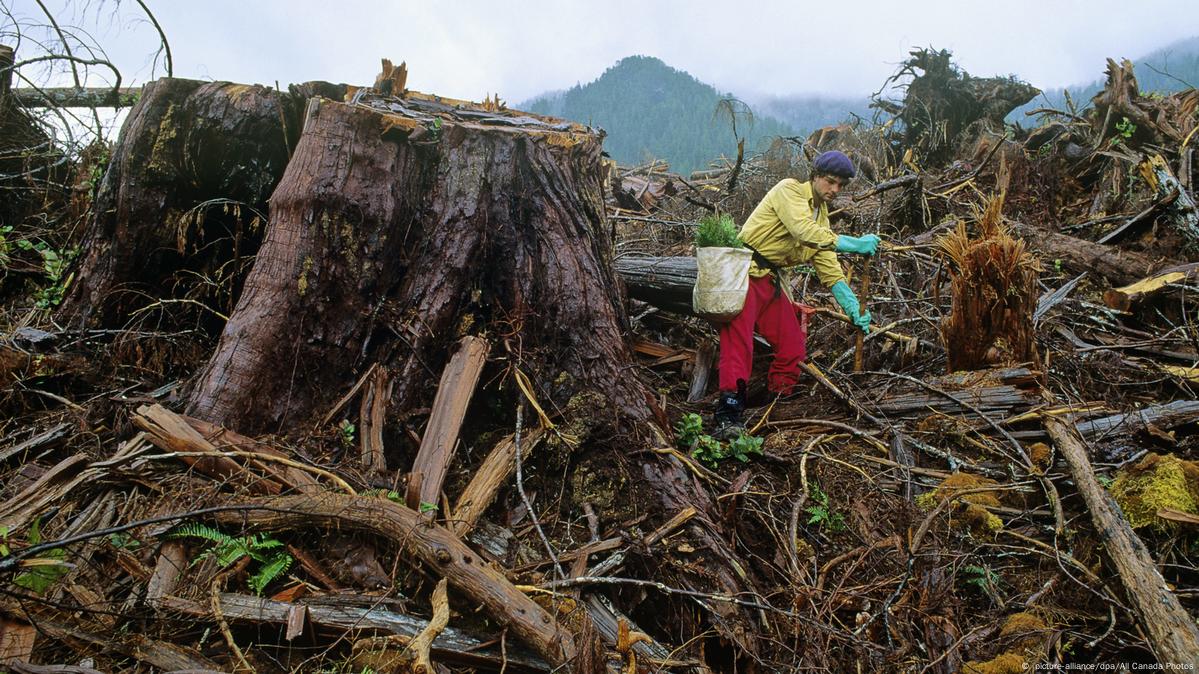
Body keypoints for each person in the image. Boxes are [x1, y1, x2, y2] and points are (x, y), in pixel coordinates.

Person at [713, 150, 879, 438]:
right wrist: (853, 243)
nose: (835, 190)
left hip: (771, 281)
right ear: (814, 176)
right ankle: (728, 416)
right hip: (744, 273)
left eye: (841, 185)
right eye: (830, 182)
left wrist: (851, 305)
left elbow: (827, 265)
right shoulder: (789, 190)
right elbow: (803, 231)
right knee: (739, 346)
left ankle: (778, 406)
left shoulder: (821, 216)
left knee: (793, 348)